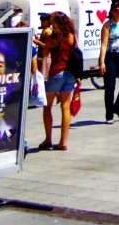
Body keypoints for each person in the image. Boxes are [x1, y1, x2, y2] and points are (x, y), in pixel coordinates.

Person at [35, 11, 78, 150]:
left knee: (47, 107)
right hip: (70, 73)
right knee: (65, 107)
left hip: (56, 72)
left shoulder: (53, 37)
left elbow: (46, 51)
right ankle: (63, 142)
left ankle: (48, 140)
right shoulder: (71, 36)